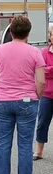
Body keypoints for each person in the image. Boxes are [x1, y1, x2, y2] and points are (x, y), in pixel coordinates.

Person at [0, 14, 45, 174]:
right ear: (28, 33)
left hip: (3, 100)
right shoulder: (35, 53)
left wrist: (0, 92)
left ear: (11, 32)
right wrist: (36, 96)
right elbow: (41, 81)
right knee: (25, 144)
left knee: (3, 142)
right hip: (27, 101)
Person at [34, 26, 53, 159]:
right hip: (47, 94)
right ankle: (39, 150)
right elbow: (41, 71)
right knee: (42, 123)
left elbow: (47, 70)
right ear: (50, 36)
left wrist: (49, 69)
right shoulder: (44, 53)